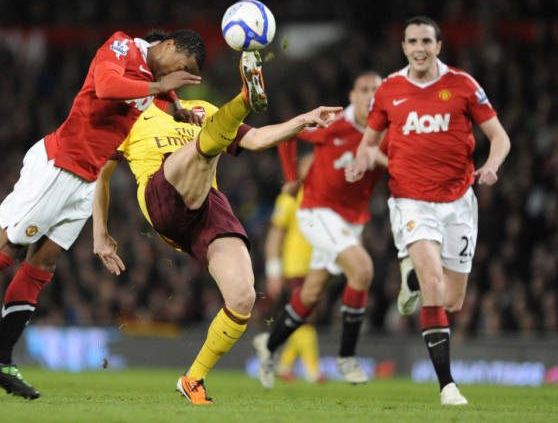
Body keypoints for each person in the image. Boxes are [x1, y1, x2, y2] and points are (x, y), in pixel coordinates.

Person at [0, 29, 206, 399]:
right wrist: (162, 90)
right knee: (4, 250)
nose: (176, 78)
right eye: (181, 69)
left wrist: (176, 103)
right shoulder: (121, 47)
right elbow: (106, 85)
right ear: (168, 47)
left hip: (85, 180)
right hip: (59, 166)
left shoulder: (154, 79)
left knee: (41, 268)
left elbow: (153, 89)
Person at [93, 50, 342, 405]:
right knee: (203, 147)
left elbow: (257, 139)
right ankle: (245, 97)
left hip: (206, 205)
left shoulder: (204, 110)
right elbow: (102, 175)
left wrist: (306, 118)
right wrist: (99, 232)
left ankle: (193, 379)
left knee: (243, 297)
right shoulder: (132, 113)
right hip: (161, 195)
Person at [346, 16, 511, 405]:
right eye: (412, 41)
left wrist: (491, 166)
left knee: (452, 301)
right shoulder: (389, 89)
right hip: (411, 200)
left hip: (459, 202)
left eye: (426, 41)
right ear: (403, 47)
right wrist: (362, 162)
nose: (419, 48)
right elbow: (369, 143)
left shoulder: (463, 85)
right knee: (434, 282)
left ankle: (412, 278)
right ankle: (447, 386)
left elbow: (499, 138)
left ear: (438, 45)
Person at [254, 72, 386, 389]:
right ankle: (347, 356)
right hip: (316, 211)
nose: (370, 96)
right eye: (364, 90)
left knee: (311, 294)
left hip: (351, 220)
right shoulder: (334, 122)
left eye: (376, 91)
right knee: (363, 269)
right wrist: (290, 178)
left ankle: (268, 346)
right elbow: (289, 133)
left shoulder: (389, 129)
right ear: (352, 96)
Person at [262, 158, 321, 384]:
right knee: (305, 315)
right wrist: (273, 270)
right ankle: (312, 370)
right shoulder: (290, 197)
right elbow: (275, 235)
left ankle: (285, 365)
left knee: (302, 315)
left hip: (317, 264)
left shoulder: (322, 197)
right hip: (295, 264)